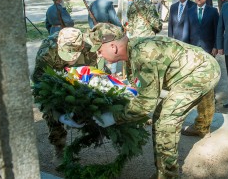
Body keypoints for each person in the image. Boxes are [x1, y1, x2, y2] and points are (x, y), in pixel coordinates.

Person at [85, 23, 220, 178]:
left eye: (100, 51)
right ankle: (202, 127)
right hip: (201, 62)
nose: (99, 55)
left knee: (165, 120)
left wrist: (114, 117)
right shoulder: (133, 48)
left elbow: (145, 104)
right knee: (174, 108)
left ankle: (167, 175)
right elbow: (139, 87)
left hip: (201, 72)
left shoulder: (142, 55)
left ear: (113, 47)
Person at [32, 27, 98, 159]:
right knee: (52, 112)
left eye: (74, 54)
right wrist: (59, 115)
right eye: (66, 54)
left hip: (76, 80)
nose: (70, 58)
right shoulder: (47, 53)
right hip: (53, 81)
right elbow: (40, 89)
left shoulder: (89, 51)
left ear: (82, 46)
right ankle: (60, 148)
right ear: (58, 45)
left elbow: (95, 76)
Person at [182, 0, 219, 137]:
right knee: (195, 78)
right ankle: (197, 100)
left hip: (209, 49)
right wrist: (184, 48)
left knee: (208, 80)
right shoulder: (190, 11)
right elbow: (186, 30)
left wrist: (217, 46)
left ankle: (208, 105)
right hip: (193, 50)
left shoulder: (212, 11)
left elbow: (217, 30)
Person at [88, 0, 122, 75]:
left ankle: (100, 70)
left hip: (96, 32)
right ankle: (113, 72)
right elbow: (114, 19)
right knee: (114, 49)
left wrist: (94, 29)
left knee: (99, 50)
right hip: (107, 31)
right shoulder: (108, 4)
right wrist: (121, 27)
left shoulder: (92, 4)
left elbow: (90, 20)